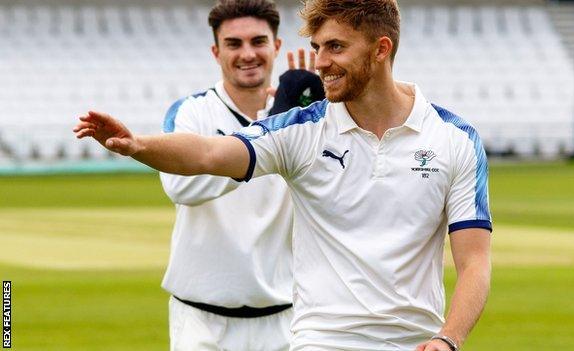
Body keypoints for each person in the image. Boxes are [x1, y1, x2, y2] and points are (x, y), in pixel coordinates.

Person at [74, 0, 492, 350]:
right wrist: (137, 145)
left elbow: (474, 261)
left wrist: (448, 339)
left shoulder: (455, 138)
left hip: (401, 339)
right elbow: (205, 154)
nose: (321, 62)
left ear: (381, 49)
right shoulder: (298, 126)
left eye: (335, 47)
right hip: (310, 338)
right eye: (317, 47)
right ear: (215, 51)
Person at [157, 0, 321, 350]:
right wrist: (273, 126)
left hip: (285, 319)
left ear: (276, 46)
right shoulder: (191, 112)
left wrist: (330, 112)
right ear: (216, 52)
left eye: (258, 41)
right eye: (234, 44)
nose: (247, 53)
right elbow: (180, 185)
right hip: (201, 323)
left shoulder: (303, 115)